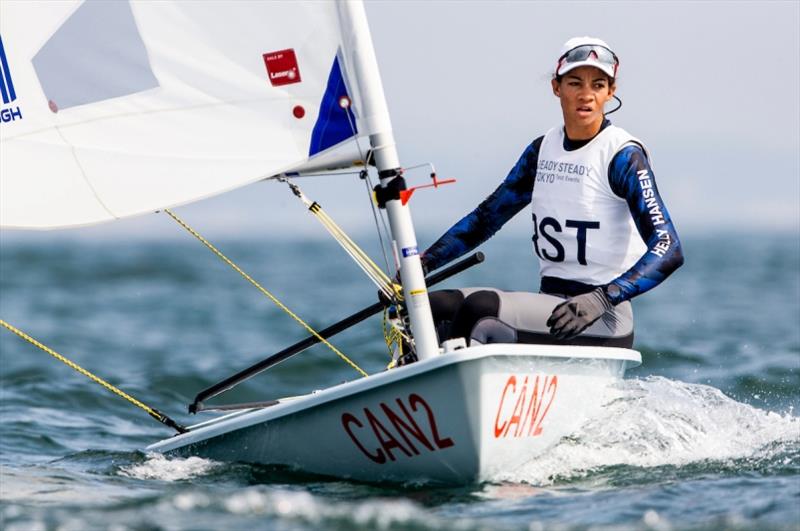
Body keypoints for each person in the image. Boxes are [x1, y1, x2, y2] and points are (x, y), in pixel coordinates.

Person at [412, 36, 683, 354]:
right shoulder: (542, 151)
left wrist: (602, 298)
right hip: (550, 307)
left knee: (481, 312)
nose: (586, 95)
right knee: (433, 307)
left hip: (603, 318)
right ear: (557, 87)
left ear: (611, 92)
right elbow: (486, 218)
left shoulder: (622, 156)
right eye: (574, 83)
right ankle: (415, 399)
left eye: (598, 85)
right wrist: (422, 265)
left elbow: (669, 248)